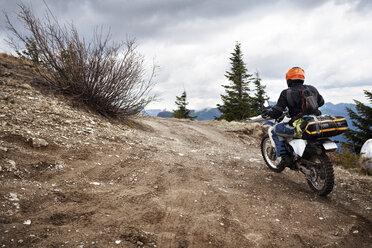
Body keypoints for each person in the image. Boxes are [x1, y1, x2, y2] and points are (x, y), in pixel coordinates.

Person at [261, 67, 325, 169]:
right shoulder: (311, 88)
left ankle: (285, 158)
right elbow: (321, 102)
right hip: (316, 122)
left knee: (274, 130)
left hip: (300, 125)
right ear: (302, 78)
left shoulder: (286, 93)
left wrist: (267, 113)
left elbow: (277, 112)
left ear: (289, 79)